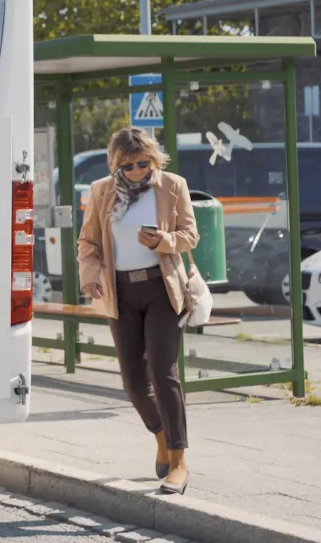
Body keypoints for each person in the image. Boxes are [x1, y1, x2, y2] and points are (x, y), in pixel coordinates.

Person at [77, 127, 199, 495]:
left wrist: (163, 240)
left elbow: (190, 235)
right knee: (133, 382)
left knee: (163, 373)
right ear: (115, 164)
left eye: (143, 164)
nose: (135, 172)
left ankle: (178, 462)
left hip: (162, 289)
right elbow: (88, 241)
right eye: (127, 166)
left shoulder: (172, 185)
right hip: (121, 292)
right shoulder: (102, 191)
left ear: (154, 159)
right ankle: (161, 436)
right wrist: (89, 276)